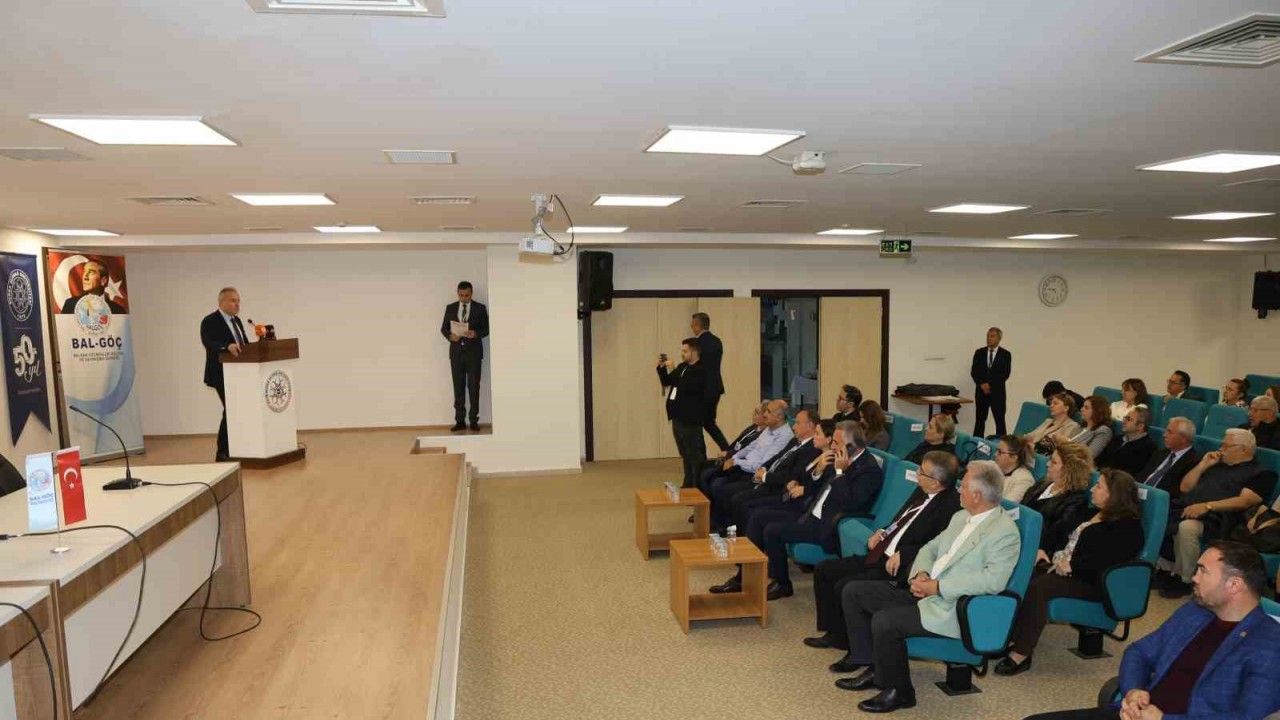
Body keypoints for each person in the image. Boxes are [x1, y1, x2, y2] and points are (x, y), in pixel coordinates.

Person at [834, 460, 1020, 713]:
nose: (958, 490)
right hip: (928, 589)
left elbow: (992, 581)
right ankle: (873, 665)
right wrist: (920, 574)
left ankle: (900, 692)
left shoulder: (1005, 532)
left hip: (952, 605)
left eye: (963, 486)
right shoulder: (961, 516)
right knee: (855, 592)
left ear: (977, 495)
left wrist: (938, 587)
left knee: (886, 621)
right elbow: (930, 548)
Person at [1024, 542, 1280, 720]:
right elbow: (1139, 652)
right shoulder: (1196, 611)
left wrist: (1163, 719)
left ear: (1234, 584)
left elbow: (1247, 717)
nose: (1194, 577)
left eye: (1203, 571)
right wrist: (1133, 691)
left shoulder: (1269, 643)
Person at [804, 451, 961, 661]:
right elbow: (901, 521)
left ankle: (858, 652)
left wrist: (906, 553)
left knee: (845, 586)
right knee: (825, 570)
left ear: (936, 482)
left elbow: (938, 546)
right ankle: (836, 634)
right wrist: (883, 532)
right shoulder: (921, 490)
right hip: (880, 553)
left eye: (921, 472)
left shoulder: (950, 507)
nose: (916, 473)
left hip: (899, 566)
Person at [995, 470, 1144, 676]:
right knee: (1023, 574)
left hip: (1094, 582)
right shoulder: (1091, 512)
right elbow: (1061, 533)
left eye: (1099, 486)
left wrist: (1074, 567)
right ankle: (1010, 637)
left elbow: (1107, 562)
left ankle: (1022, 652)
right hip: (1064, 566)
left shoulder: (1128, 528)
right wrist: (1044, 550)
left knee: (1040, 588)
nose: (1092, 489)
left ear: (1114, 495)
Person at [1159, 429, 1278, 598]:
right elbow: (1185, 487)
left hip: (1222, 519)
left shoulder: (1262, 473)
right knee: (1161, 513)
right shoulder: (1216, 464)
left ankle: (1185, 579)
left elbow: (1245, 501)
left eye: (1226, 445)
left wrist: (1207, 506)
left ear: (1244, 449)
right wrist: (1203, 465)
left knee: (1187, 527)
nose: (1221, 449)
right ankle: (1165, 569)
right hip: (1188, 506)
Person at [723, 409, 824, 531]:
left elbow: (791, 475)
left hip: (777, 488)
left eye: (797, 423)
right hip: (766, 478)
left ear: (810, 425)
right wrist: (763, 468)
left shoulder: (812, 449)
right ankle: (731, 531)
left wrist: (765, 476)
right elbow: (778, 456)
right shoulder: (795, 441)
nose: (793, 426)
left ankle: (739, 536)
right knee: (733, 493)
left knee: (741, 501)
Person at [703, 400, 793, 528]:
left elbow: (762, 464)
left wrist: (736, 462)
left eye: (768, 412)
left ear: (779, 417)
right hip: (744, 465)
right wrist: (733, 457)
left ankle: (724, 526)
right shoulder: (769, 429)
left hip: (754, 473)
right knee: (710, 476)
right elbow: (751, 447)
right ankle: (711, 519)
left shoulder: (784, 436)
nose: (764, 415)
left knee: (720, 486)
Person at [200, 287, 252, 462]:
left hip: (239, 374)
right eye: (233, 300)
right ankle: (222, 452)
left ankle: (236, 447)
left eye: (238, 301)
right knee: (231, 410)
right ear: (222, 302)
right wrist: (226, 346)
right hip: (220, 373)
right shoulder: (210, 321)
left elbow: (244, 344)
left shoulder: (237, 321)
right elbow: (209, 342)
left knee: (235, 410)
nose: (237, 304)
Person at [656, 338, 710, 490]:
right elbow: (667, 381)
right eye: (682, 351)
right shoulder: (683, 367)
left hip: (690, 419)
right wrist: (661, 368)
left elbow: (687, 388)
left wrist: (673, 369)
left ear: (694, 352)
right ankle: (688, 484)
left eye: (685, 351)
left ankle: (698, 487)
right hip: (677, 417)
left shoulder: (701, 370)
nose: (682, 353)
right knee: (685, 453)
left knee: (694, 454)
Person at [1022, 442, 1094, 556]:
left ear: (1069, 469)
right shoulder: (1042, 483)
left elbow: (1054, 536)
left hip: (1035, 549)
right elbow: (1021, 508)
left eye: (1054, 462)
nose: (1047, 464)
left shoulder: (1076, 501)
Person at [439, 281, 489, 432]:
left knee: (474, 387)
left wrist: (476, 333)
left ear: (471, 293)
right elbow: (444, 328)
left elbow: (486, 329)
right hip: (456, 354)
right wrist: (450, 336)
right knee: (458, 387)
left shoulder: (480, 308)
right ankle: (460, 421)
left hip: (474, 354)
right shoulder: (450, 308)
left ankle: (473, 420)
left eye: (467, 295)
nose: (464, 298)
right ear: (458, 293)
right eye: (461, 295)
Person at [696, 403, 766, 490]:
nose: (754, 415)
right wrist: (726, 451)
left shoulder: (763, 435)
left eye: (757, 413)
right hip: (732, 457)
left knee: (710, 477)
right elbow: (736, 442)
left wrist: (729, 454)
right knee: (702, 466)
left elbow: (748, 452)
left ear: (765, 417)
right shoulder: (752, 428)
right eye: (754, 412)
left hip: (740, 464)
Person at [690, 312, 730, 452]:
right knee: (708, 422)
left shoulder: (696, 344)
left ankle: (701, 456)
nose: (691, 327)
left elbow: (695, 366)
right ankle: (726, 449)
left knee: (698, 423)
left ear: (697, 325)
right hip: (715, 388)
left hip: (701, 389)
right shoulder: (717, 341)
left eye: (692, 325)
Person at [971, 327, 1012, 437]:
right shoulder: (979, 353)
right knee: (980, 421)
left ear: (999, 338)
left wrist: (990, 385)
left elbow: (1005, 374)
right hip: (981, 392)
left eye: (992, 336)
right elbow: (974, 371)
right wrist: (982, 384)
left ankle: (1002, 444)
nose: (989, 338)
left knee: (1000, 421)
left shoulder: (1006, 354)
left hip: (997, 393)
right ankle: (976, 444)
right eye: (988, 336)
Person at [1096, 406, 1156, 477]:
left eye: (1129, 419)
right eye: (1125, 418)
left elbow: (1132, 473)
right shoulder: (1118, 438)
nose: (1124, 421)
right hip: (1100, 475)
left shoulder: (1147, 447)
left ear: (1140, 426)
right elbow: (1100, 459)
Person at [60, 257, 125, 315]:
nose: (85, 277)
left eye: (91, 272)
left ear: (103, 281)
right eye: (84, 271)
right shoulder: (70, 305)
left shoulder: (118, 311)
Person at [995, 434, 1037, 502]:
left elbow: (1008, 505)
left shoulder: (1024, 480)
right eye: (996, 450)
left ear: (1014, 458)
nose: (995, 454)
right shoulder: (992, 466)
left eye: (1000, 452)